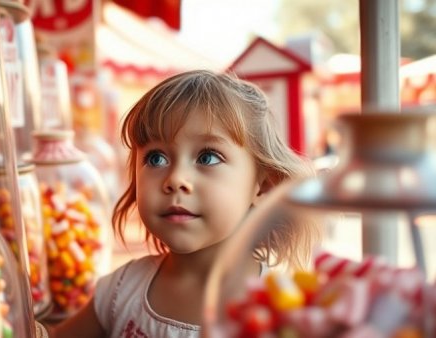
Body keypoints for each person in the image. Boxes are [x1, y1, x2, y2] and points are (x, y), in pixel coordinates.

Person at [38, 70, 320, 338]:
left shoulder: (280, 309)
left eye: (208, 157)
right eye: (156, 158)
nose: (175, 179)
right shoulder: (120, 291)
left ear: (264, 186)